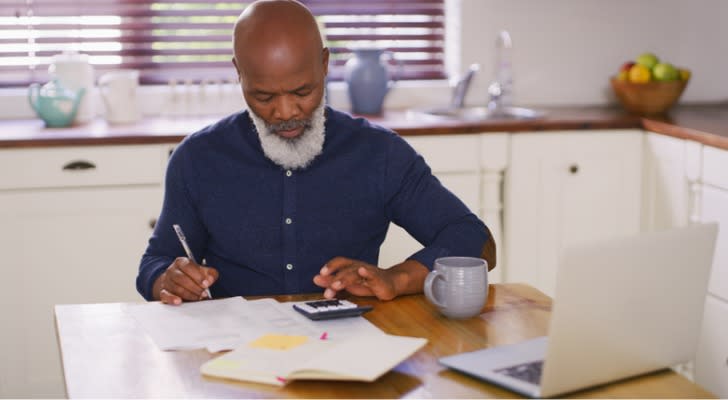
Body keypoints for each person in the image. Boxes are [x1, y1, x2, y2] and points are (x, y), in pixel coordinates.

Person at [136, 0, 495, 305]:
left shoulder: (380, 153)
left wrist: (396, 278)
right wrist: (166, 278)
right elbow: (157, 260)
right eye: (263, 96)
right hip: (238, 355)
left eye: (302, 91)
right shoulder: (197, 158)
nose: (286, 111)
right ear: (238, 74)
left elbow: (476, 241)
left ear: (324, 65)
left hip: (350, 349)